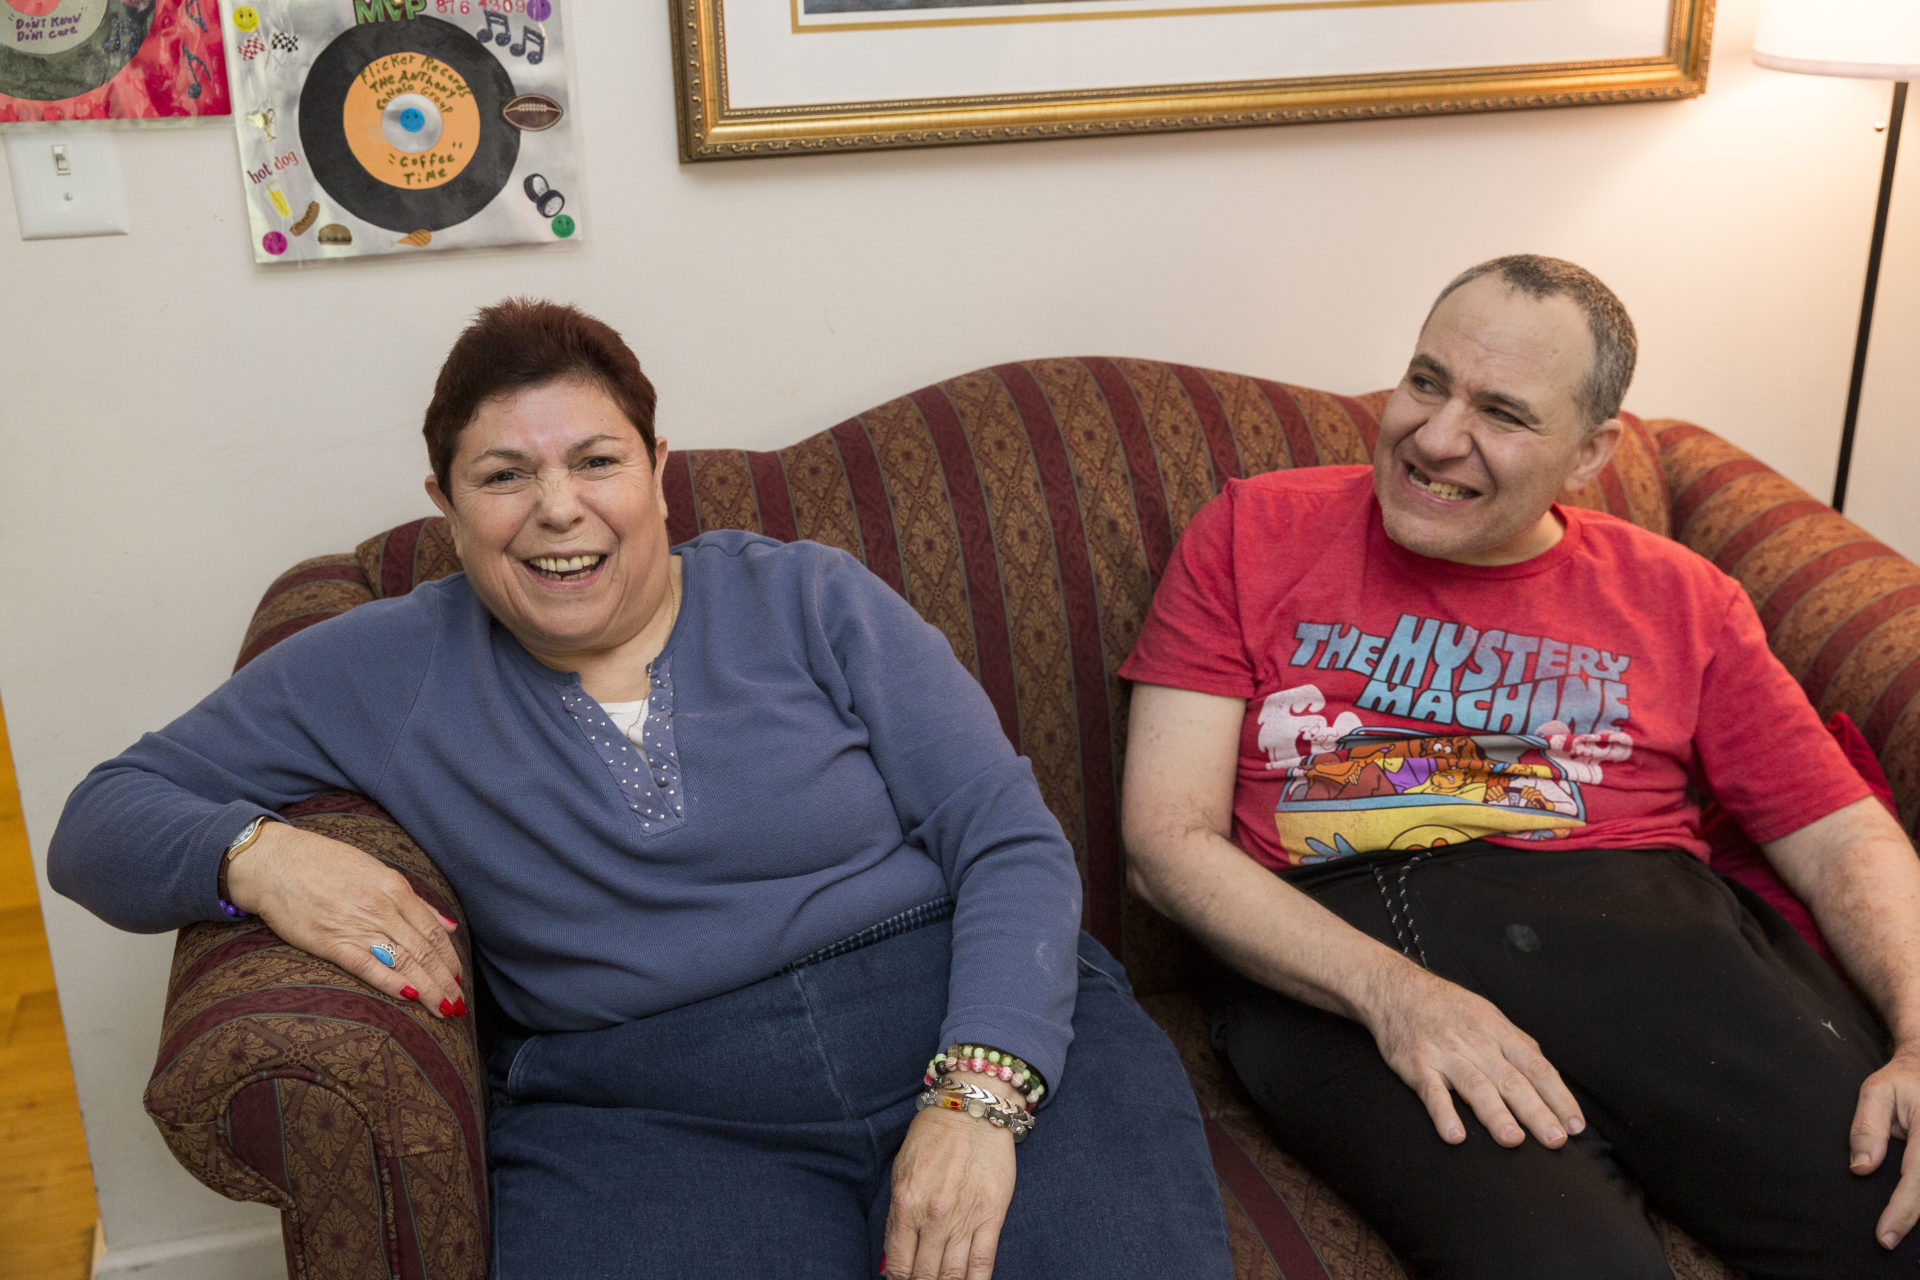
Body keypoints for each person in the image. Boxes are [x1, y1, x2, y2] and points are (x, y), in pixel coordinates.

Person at [49, 300, 1233, 1280]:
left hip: (947, 1005)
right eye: (504, 474)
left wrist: (978, 1097)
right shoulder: (380, 661)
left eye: (596, 460)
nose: (558, 507)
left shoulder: (810, 597)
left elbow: (1007, 839)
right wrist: (260, 855)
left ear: (658, 471)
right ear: (446, 504)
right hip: (648, 1107)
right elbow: (101, 816)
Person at [1118, 254, 1920, 1279]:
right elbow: (1164, 840)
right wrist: (1400, 997)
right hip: (1342, 945)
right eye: (1424, 381)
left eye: (1501, 411)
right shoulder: (1255, 530)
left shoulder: (1682, 598)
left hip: (1643, 932)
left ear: (1591, 453)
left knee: (1893, 1222)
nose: (1437, 436)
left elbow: (1842, 828)